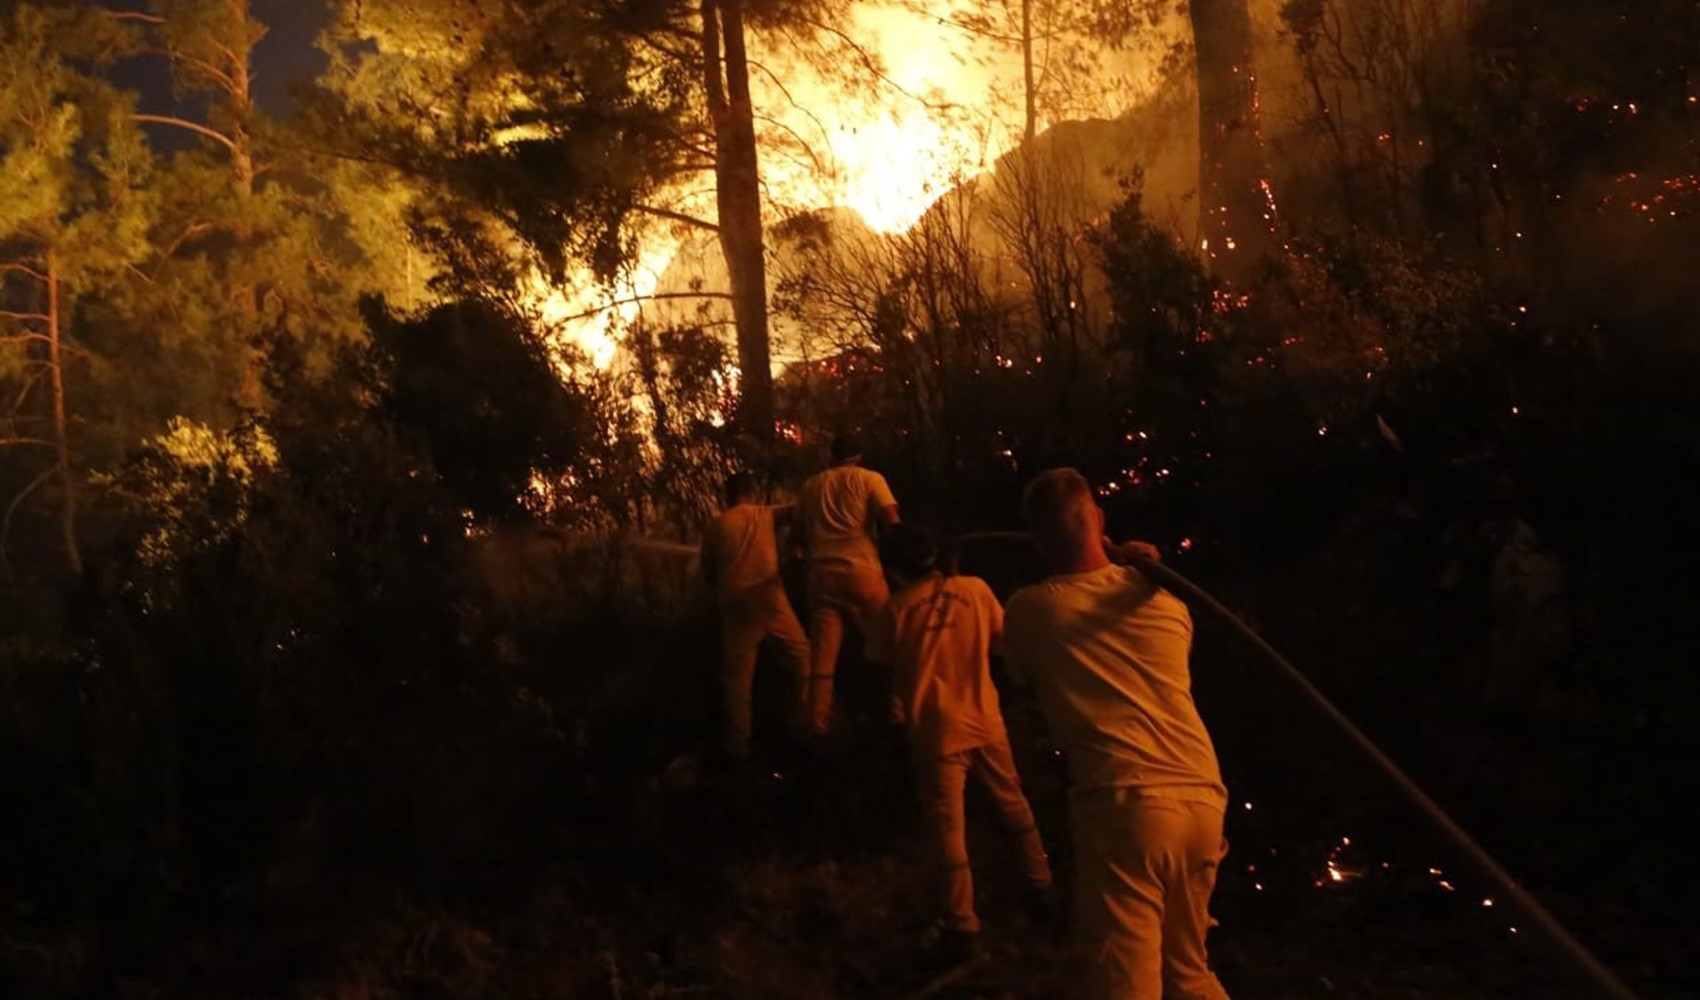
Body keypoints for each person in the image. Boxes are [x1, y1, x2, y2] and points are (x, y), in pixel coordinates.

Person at [1002, 468, 1231, 1000]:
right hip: (1201, 795)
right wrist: (1123, 561)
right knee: (1190, 972)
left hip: (1125, 803)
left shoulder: (1030, 610)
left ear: (1037, 541)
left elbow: (1019, 675)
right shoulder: (1169, 605)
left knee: (1124, 987)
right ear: (1100, 520)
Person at [866, 523, 1054, 963]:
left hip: (934, 731)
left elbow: (878, 674)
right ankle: (1042, 886)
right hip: (985, 720)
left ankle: (962, 924)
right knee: (1014, 804)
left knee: (948, 827)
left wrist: (890, 722)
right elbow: (1004, 645)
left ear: (892, 569)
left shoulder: (892, 611)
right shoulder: (975, 590)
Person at [794, 433, 900, 736]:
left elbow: (798, 536)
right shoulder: (870, 479)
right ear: (859, 456)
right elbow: (892, 520)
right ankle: (900, 714)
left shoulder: (811, 486)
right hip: (861, 569)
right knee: (888, 644)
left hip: (821, 576)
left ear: (833, 456)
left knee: (823, 657)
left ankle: (816, 725)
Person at [700, 472, 811, 760]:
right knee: (803, 658)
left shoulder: (715, 526)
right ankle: (804, 723)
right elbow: (800, 510)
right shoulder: (765, 514)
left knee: (737, 680)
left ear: (728, 496)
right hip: (769, 598)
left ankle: (738, 748)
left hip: (736, 604)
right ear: (751, 493)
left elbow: (709, 572)